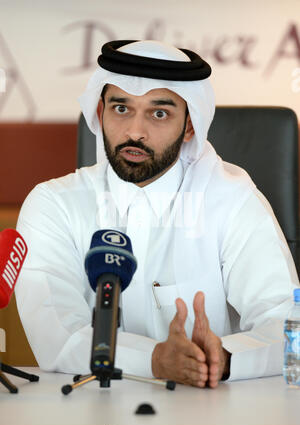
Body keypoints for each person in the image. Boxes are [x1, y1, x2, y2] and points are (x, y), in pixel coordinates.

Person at [15, 40, 299, 389]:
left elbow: (289, 324)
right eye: (121, 109)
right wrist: (156, 360)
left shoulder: (231, 198)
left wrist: (222, 357)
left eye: (159, 113)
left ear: (190, 126)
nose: (135, 131)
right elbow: (57, 336)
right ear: (100, 112)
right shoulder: (54, 205)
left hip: (212, 410)